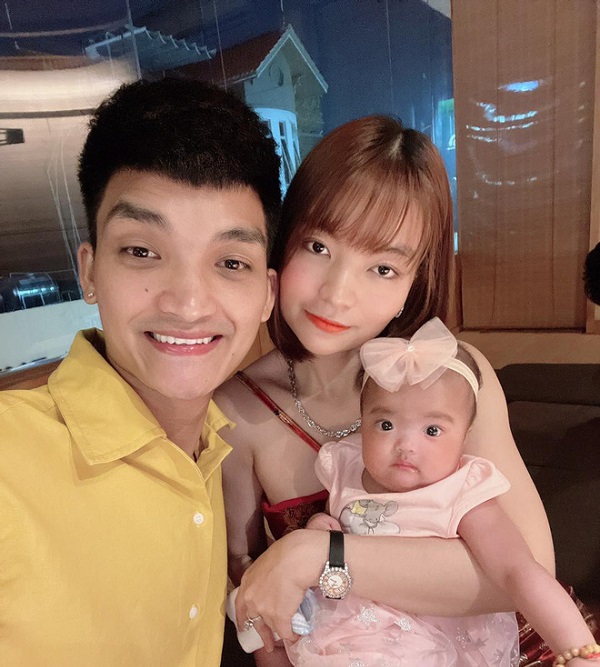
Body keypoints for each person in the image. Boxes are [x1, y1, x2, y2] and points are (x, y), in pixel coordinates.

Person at [213, 116, 557, 667]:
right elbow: (250, 591)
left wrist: (318, 554)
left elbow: (528, 573)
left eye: (383, 268)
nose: (337, 294)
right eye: (318, 246)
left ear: (414, 283)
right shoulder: (237, 409)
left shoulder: (452, 376)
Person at [0, 77, 280, 667]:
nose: (188, 304)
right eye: (142, 251)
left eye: (231, 262)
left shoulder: (215, 452)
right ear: (89, 272)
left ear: (267, 296)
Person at [284, 318, 600, 667]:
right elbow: (337, 526)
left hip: (429, 641)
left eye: (432, 430)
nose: (406, 445)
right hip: (344, 628)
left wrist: (579, 650)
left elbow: (519, 570)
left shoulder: (460, 493)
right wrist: (321, 525)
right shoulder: (346, 468)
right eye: (386, 425)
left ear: (464, 437)